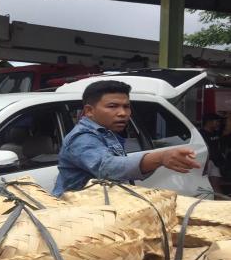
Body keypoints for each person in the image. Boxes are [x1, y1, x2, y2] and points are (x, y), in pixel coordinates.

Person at [53, 80, 200, 196]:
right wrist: (160, 157)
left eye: (126, 106)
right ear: (89, 111)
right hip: (76, 216)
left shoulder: (105, 132)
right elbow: (108, 167)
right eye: (113, 106)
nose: (123, 113)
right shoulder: (82, 137)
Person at [198, 112, 225, 193]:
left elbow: (228, 129)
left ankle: (220, 204)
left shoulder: (216, 132)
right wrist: (205, 165)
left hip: (215, 162)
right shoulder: (200, 133)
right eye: (216, 121)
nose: (218, 123)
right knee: (206, 186)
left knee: (216, 185)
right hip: (206, 162)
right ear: (209, 122)